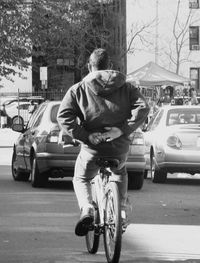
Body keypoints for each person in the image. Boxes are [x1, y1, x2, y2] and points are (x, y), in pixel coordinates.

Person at [57, 48, 150, 236]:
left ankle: (87, 208)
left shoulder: (78, 89)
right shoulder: (127, 87)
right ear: (110, 67)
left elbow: (63, 116)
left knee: (81, 178)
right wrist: (121, 130)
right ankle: (121, 212)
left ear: (89, 66)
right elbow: (143, 107)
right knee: (120, 171)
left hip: (92, 150)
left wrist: (85, 135)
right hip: (119, 148)